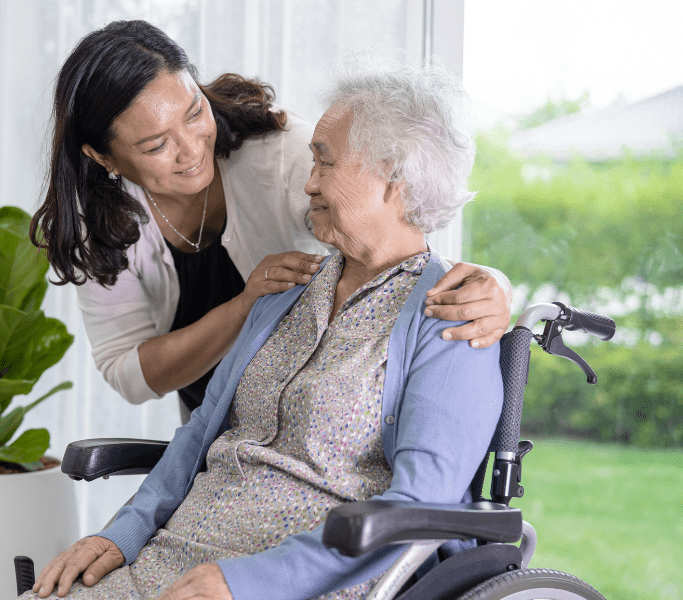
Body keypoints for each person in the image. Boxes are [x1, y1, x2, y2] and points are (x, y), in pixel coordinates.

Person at [25, 57, 504, 600]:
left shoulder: (451, 319)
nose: (309, 182)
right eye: (312, 162)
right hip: (179, 557)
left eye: (324, 163)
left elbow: (422, 505)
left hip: (302, 579)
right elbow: (200, 430)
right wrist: (120, 536)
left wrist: (248, 581)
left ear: (395, 179)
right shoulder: (286, 290)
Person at [29, 20, 511, 418]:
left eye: (195, 112)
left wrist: (491, 287)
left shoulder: (287, 158)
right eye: (156, 145)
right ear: (103, 158)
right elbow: (129, 373)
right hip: (220, 435)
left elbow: (401, 238)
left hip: (313, 421)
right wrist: (245, 307)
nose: (192, 148)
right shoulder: (97, 222)